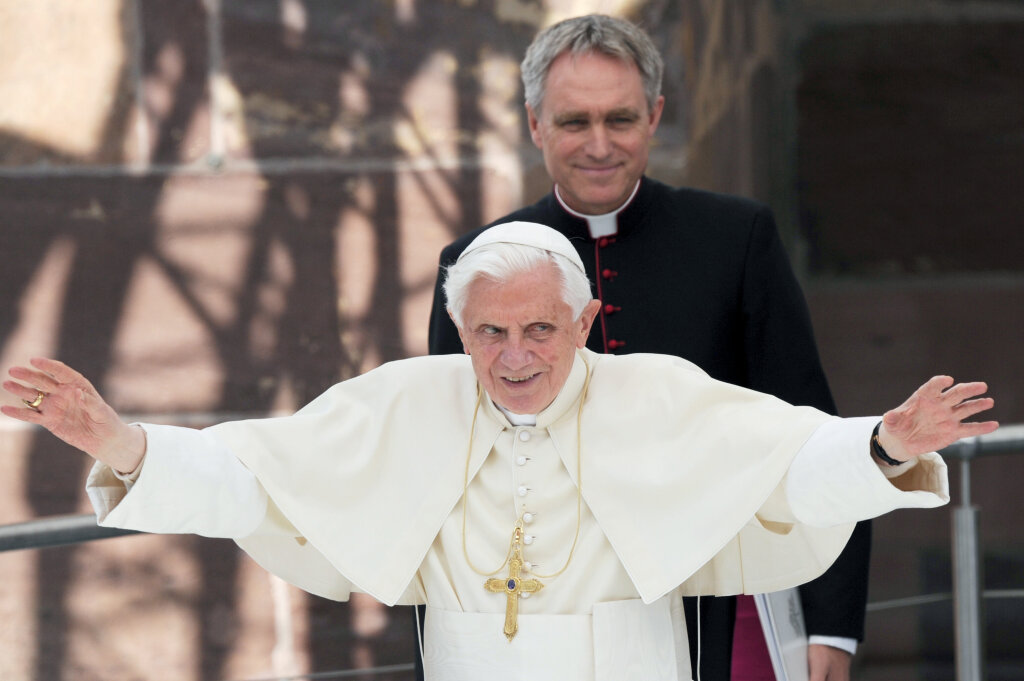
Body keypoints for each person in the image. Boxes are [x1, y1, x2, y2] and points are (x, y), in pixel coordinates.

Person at [2, 222, 997, 681]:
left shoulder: (659, 395)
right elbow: (249, 477)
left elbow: (789, 467)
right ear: (458, 326)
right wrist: (124, 444)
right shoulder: (401, 402)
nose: (513, 357)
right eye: (488, 333)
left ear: (585, 320)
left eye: (538, 330)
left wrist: (881, 445)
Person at [427, 14, 868, 681]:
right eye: (575, 122)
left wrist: (831, 621)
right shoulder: (478, 265)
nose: (599, 145)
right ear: (535, 124)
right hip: (550, 604)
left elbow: (810, 427)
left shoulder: (734, 238)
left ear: (655, 114)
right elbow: (446, 466)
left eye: (621, 119)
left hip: (720, 589)